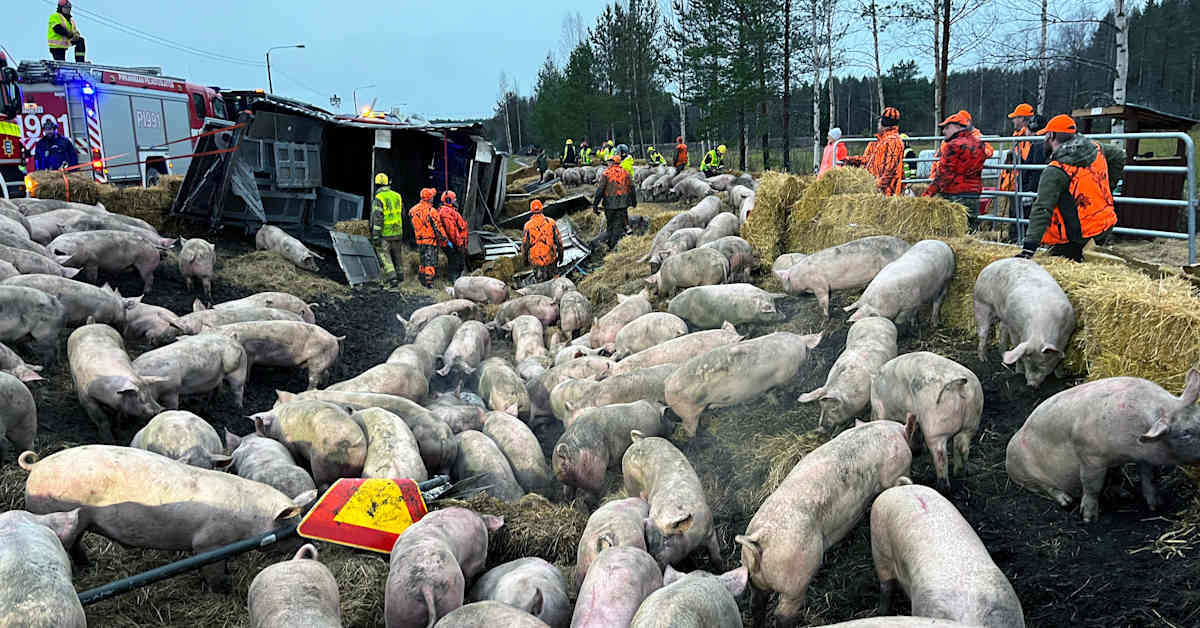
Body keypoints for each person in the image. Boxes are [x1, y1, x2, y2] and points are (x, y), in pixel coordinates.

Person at [1017, 114, 1125, 263]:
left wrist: (1028, 249)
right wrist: (1108, 185)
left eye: (1046, 136)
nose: (1044, 140)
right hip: (1104, 225)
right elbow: (1119, 155)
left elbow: (1042, 208)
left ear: (1051, 135)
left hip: (1079, 236)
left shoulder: (1056, 170)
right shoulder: (1095, 148)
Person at [923, 110, 989, 230]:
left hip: (955, 194)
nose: (944, 131)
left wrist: (927, 194)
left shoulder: (952, 145)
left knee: (953, 231)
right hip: (974, 193)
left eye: (946, 128)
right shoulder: (980, 144)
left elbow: (944, 175)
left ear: (956, 127)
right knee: (971, 229)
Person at [844, 107, 905, 195]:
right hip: (880, 188)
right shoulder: (884, 140)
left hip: (888, 191)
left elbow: (890, 170)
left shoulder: (893, 141)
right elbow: (872, 159)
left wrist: (877, 185)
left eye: (880, 121)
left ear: (884, 123)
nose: (878, 124)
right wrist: (852, 160)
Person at [593, 153, 637, 251]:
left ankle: (611, 246)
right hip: (623, 204)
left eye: (610, 161)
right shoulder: (625, 173)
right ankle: (615, 245)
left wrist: (595, 205)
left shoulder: (606, 173)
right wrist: (634, 201)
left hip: (609, 205)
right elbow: (632, 188)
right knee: (621, 224)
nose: (608, 163)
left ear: (612, 163)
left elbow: (600, 190)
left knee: (611, 226)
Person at [410, 188, 451, 288]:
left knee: (422, 260)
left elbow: (412, 225)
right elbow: (438, 228)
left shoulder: (413, 210)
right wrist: (445, 239)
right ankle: (429, 283)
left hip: (419, 240)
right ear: (430, 198)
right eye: (432, 196)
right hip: (430, 241)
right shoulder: (432, 212)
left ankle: (421, 278)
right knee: (430, 262)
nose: (433, 198)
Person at [369, 173, 405, 284]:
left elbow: (378, 219)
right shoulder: (397, 195)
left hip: (385, 234)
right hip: (398, 232)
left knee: (384, 255)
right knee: (397, 255)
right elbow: (402, 214)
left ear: (376, 185)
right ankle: (400, 275)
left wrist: (375, 236)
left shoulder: (379, 198)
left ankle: (392, 278)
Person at [522, 199, 563, 283]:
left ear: (531, 210)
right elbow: (559, 242)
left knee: (542, 284)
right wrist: (561, 255)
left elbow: (525, 245)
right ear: (542, 208)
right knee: (556, 282)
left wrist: (525, 259)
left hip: (536, 260)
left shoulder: (527, 226)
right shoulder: (551, 222)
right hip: (550, 257)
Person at [438, 190, 469, 279]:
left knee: (457, 261)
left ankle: (458, 279)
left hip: (456, 242)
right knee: (454, 261)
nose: (456, 201)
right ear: (448, 200)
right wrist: (459, 244)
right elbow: (452, 231)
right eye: (454, 199)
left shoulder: (450, 211)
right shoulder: (446, 212)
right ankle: (454, 280)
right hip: (453, 242)